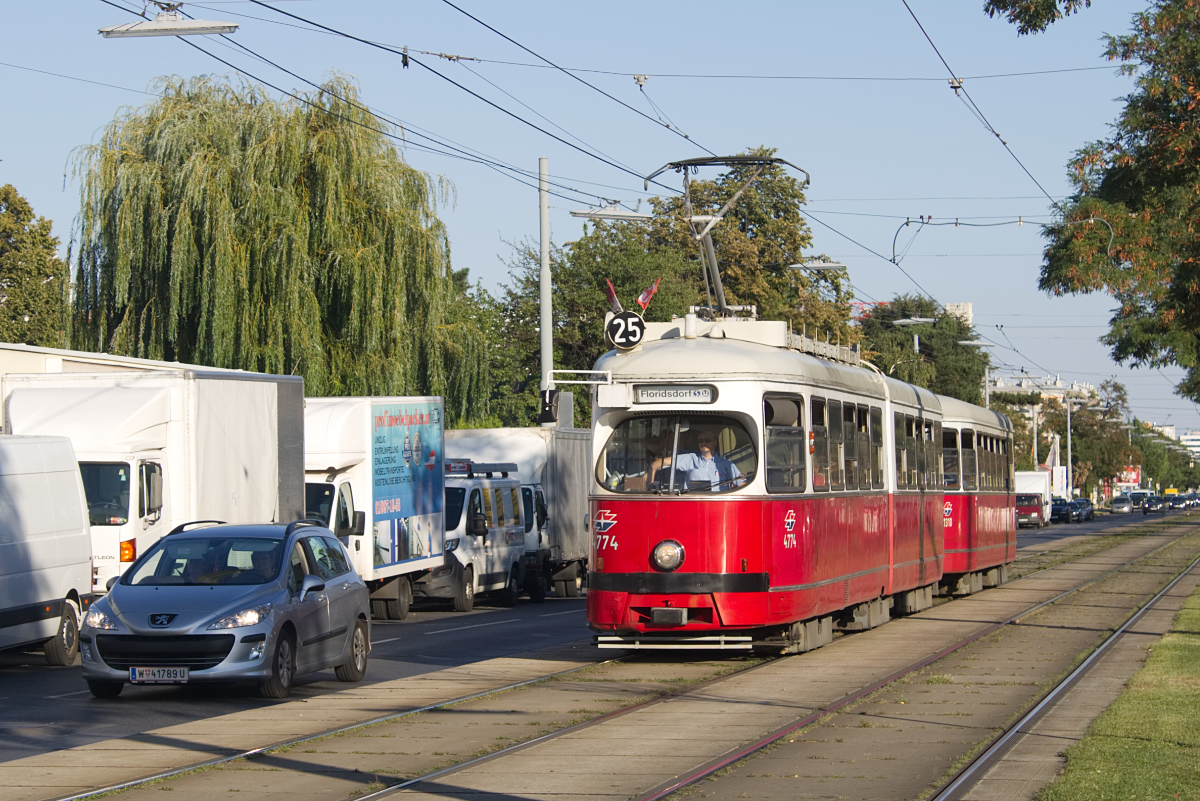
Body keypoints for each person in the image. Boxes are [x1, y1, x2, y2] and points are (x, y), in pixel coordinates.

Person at [654, 429, 743, 490]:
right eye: (700, 441)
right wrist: (650, 479)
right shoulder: (691, 459)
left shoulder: (726, 464)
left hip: (717, 505)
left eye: (707, 440)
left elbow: (742, 484)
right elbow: (659, 462)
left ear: (715, 442)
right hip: (692, 503)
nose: (703, 443)